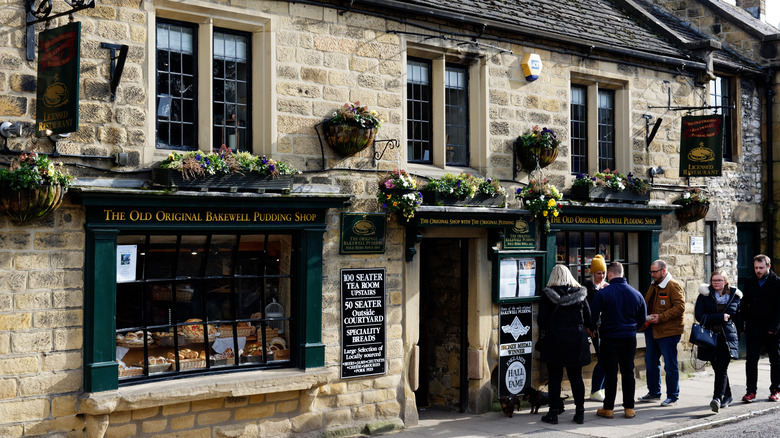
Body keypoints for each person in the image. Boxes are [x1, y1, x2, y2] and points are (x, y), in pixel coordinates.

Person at [590, 262, 646, 419]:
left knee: (610, 373)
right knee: (628, 372)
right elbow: (642, 320)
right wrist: (632, 328)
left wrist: (595, 328)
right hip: (629, 337)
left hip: (609, 338)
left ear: (610, 274)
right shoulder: (636, 294)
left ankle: (608, 408)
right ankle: (629, 408)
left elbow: (592, 318)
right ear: (622, 273)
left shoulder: (602, 293)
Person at [537, 265, 592, 425]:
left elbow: (542, 321)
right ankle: (580, 413)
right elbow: (589, 318)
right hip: (576, 340)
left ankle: (553, 414)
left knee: (555, 378)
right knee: (576, 377)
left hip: (555, 341)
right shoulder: (580, 294)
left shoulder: (547, 295)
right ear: (569, 275)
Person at [639, 260, 685, 407]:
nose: (652, 274)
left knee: (670, 366)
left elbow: (680, 307)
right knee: (651, 363)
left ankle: (672, 396)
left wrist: (661, 317)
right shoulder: (653, 285)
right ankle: (654, 393)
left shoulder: (673, 285)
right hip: (651, 330)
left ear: (663, 271)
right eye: (651, 272)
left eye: (655, 272)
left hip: (668, 332)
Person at [695, 271, 741, 412]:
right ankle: (728, 395)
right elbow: (699, 315)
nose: (716, 283)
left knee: (721, 367)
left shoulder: (734, 295)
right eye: (714, 280)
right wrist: (720, 316)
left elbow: (735, 314)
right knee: (717, 368)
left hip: (727, 337)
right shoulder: (704, 295)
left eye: (720, 280)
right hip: (710, 336)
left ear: (725, 281)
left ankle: (717, 398)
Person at [740, 254, 780, 403]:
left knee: (776, 361)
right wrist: (742, 324)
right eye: (756, 267)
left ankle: (775, 389)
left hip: (772, 328)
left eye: (761, 268)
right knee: (751, 361)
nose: (758, 270)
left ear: (768, 267)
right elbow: (744, 305)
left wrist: (774, 327)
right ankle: (750, 391)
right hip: (754, 327)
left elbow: (779, 308)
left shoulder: (777, 283)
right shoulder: (750, 282)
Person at [584, 254, 608, 401]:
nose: (601, 276)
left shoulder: (606, 286)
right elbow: (586, 309)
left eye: (603, 273)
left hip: (605, 326)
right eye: (599, 273)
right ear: (593, 273)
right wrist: (588, 326)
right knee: (603, 358)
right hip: (595, 328)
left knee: (606, 358)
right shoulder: (587, 287)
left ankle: (601, 388)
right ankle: (595, 390)